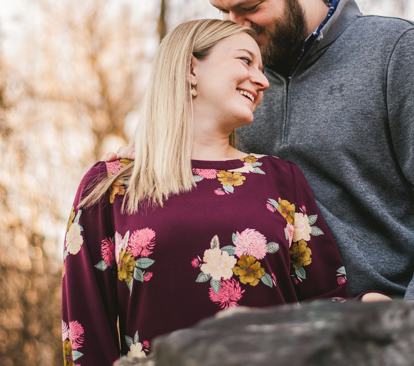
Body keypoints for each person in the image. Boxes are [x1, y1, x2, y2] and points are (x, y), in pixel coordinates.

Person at [106, 0, 414, 305]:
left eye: (251, 6)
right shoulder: (231, 86)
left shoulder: (396, 51)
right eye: (224, 12)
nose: (238, 27)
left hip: (379, 326)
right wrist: (152, 156)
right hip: (267, 338)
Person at [62, 19, 350, 365]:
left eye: (262, 69)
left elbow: (328, 306)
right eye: (246, 61)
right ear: (190, 68)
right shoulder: (111, 187)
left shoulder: (281, 181)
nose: (262, 81)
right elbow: (85, 335)